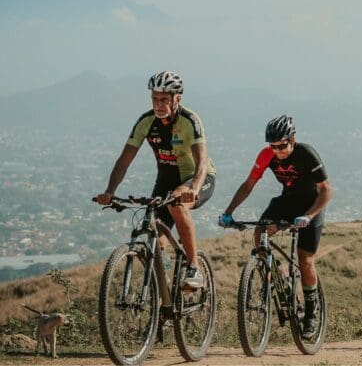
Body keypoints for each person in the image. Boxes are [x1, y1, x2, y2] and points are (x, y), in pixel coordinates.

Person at [97, 71, 216, 289]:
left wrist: (195, 188)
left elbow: (202, 161)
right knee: (155, 236)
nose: (158, 104)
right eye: (154, 99)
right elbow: (124, 160)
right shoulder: (146, 121)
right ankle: (165, 287)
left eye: (164, 99)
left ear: (177, 98)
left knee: (178, 206)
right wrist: (110, 190)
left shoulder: (190, 120)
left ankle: (194, 267)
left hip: (197, 177)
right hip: (166, 178)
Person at [219, 115, 333, 339]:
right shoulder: (267, 155)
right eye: (273, 146)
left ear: (293, 139)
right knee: (260, 232)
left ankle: (311, 313)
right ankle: (279, 277)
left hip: (312, 205)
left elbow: (326, 190)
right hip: (288, 201)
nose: (278, 151)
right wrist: (228, 212)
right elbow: (248, 184)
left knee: (305, 259)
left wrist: (309, 216)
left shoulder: (306, 154)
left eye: (282, 145)